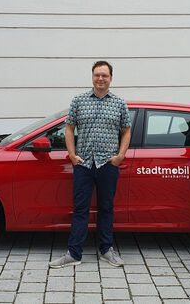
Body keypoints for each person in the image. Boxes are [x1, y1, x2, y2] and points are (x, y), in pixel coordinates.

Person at [48, 61, 131, 268]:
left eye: (104, 75)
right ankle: (74, 253)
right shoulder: (79, 101)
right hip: (83, 164)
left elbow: (126, 131)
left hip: (108, 164)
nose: (100, 79)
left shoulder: (119, 103)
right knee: (80, 209)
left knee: (106, 208)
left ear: (111, 78)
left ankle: (106, 250)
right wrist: (72, 155)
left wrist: (120, 155)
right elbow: (69, 129)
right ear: (92, 77)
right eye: (97, 75)